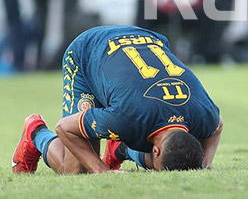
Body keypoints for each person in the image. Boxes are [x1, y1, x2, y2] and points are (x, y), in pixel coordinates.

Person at [11, 25, 223, 174]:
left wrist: (204, 163)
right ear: (154, 151)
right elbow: (65, 128)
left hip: (146, 39)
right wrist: (101, 171)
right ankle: (35, 133)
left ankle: (120, 148)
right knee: (76, 169)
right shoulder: (126, 118)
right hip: (87, 52)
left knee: (166, 154)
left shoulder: (204, 117)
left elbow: (217, 125)